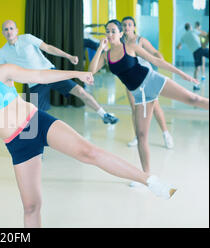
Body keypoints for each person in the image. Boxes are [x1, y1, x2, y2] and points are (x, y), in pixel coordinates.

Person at [0, 32, 177, 228]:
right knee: (31, 207)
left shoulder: (2, 72)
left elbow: (40, 76)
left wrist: (76, 74)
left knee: (88, 153)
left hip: (36, 123)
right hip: (17, 144)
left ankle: (150, 181)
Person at [89, 20, 208, 183]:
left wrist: (183, 74)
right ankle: (147, 177)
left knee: (193, 98)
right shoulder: (105, 55)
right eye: (107, 31)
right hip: (139, 95)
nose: (109, 34)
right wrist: (99, 49)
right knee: (141, 135)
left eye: (113, 31)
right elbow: (90, 72)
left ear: (121, 33)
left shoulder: (130, 47)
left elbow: (157, 61)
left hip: (152, 80)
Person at [0, 20, 119, 125]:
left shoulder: (27, 38)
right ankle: (36, 146)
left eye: (11, 28)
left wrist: (69, 57)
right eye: (6, 29)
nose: (9, 31)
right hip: (34, 83)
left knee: (80, 91)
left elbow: (48, 48)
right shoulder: (3, 52)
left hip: (50, 73)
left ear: (16, 30)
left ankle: (104, 115)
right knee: (32, 117)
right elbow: (1, 74)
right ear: (2, 33)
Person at [122, 16, 174, 150]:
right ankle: (138, 136)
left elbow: (155, 52)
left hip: (146, 77)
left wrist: (161, 61)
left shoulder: (141, 40)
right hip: (130, 79)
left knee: (155, 107)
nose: (127, 27)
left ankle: (166, 134)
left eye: (129, 24)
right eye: (124, 25)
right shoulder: (121, 43)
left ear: (134, 27)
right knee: (134, 108)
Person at [176, 23, 209, 89]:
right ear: (190, 27)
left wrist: (180, 47)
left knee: (197, 68)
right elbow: (204, 34)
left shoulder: (183, 36)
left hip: (195, 52)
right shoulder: (193, 31)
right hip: (201, 48)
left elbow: (178, 47)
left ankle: (195, 85)